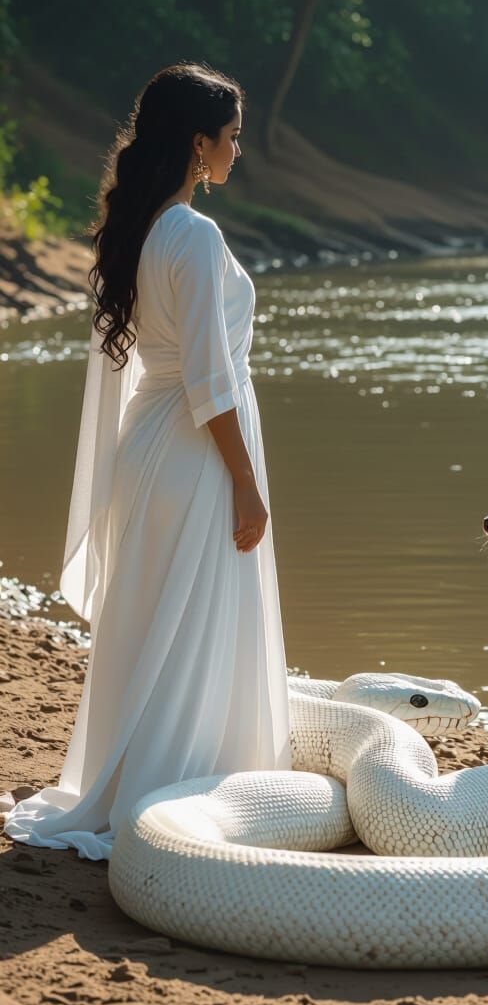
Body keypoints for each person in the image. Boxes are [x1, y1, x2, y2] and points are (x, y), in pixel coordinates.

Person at [4, 61, 292, 860]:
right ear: (199, 144)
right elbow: (209, 380)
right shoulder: (192, 236)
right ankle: (177, 791)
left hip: (152, 444)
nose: (238, 151)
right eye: (231, 137)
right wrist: (246, 483)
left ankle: (141, 775)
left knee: (158, 620)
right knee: (192, 621)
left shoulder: (144, 228)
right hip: (195, 453)